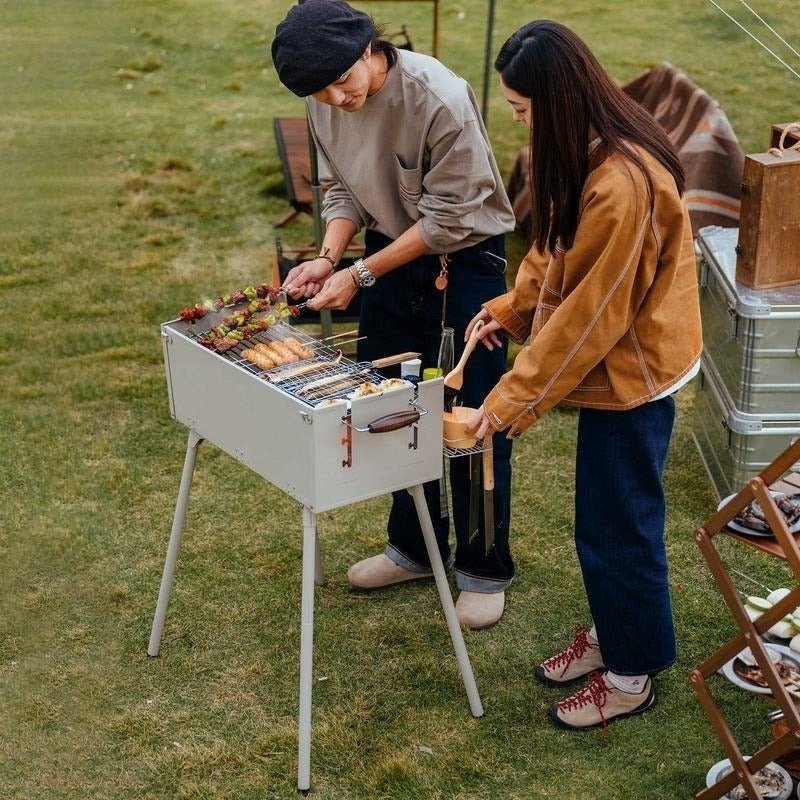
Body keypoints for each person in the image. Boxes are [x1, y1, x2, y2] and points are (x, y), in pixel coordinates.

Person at [465, 20, 702, 728]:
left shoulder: (622, 186)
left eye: (523, 111)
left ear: (559, 101)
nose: (520, 124)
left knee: (619, 527)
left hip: (634, 377)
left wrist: (508, 403)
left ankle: (631, 676)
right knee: (602, 520)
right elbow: (553, 245)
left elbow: (588, 318)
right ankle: (616, 634)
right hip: (616, 364)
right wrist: (511, 308)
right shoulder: (585, 150)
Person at [271, 0, 517, 629]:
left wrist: (359, 275)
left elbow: (449, 220)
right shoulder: (324, 100)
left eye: (342, 80)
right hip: (389, 253)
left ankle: (484, 569)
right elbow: (342, 190)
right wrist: (328, 258)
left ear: (368, 49)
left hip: (465, 257)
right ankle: (415, 548)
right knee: (388, 404)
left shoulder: (438, 97)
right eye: (320, 92)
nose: (337, 98)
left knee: (469, 416)